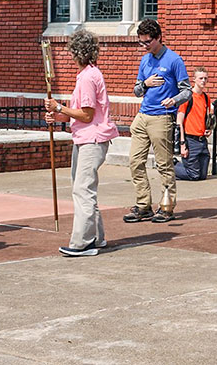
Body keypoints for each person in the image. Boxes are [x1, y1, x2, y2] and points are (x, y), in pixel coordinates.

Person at [45, 26, 119, 256]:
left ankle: (83, 242)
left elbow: (87, 114)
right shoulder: (89, 74)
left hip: (92, 139)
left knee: (82, 190)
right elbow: (79, 111)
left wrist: (59, 107)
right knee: (86, 188)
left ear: (76, 53)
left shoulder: (88, 77)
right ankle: (96, 237)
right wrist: (58, 114)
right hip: (87, 137)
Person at [125, 19, 191, 224]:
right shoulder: (145, 61)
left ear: (158, 38)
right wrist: (145, 84)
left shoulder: (174, 60)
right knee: (135, 161)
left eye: (147, 42)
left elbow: (187, 91)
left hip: (162, 117)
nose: (144, 46)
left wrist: (174, 99)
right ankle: (143, 205)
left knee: (164, 164)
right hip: (143, 116)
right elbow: (137, 91)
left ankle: (167, 206)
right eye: (141, 42)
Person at [174, 67, 212, 181]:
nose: (203, 81)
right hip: (190, 140)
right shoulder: (187, 97)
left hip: (202, 141)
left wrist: (209, 128)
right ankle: (170, 166)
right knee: (193, 175)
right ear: (194, 79)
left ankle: (183, 169)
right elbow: (179, 122)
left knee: (202, 176)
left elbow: (208, 117)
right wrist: (182, 144)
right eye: (200, 78)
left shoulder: (206, 97)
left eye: (205, 78)